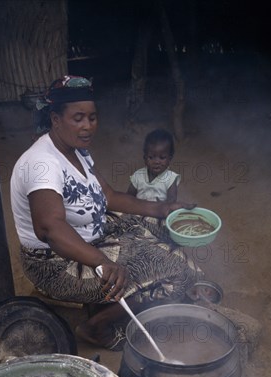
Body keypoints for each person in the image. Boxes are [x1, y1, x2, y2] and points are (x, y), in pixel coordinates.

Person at [10, 75, 201, 351]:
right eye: (78, 118)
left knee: (165, 226)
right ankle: (96, 327)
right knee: (175, 272)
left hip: (92, 233)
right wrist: (102, 261)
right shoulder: (42, 164)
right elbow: (49, 229)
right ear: (55, 119)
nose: (88, 126)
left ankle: (155, 274)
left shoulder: (78, 151)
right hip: (56, 262)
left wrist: (163, 208)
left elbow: (108, 196)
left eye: (92, 117)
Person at [127, 128, 180, 203]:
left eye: (162, 158)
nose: (156, 162)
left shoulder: (171, 178)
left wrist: (160, 206)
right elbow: (128, 197)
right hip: (138, 212)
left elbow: (171, 202)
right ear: (145, 158)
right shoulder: (138, 176)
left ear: (169, 159)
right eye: (151, 157)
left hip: (159, 213)